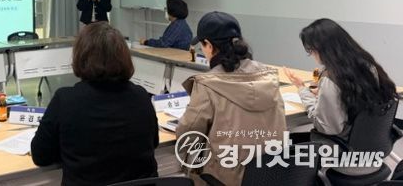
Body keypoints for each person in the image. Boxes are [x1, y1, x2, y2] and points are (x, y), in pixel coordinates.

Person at [31, 22, 158, 186]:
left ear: (81, 57)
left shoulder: (65, 100)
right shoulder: (141, 96)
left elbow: (40, 156)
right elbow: (153, 142)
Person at [175, 12, 286, 186]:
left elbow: (187, 138)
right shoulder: (269, 77)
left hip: (227, 179)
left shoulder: (208, 85)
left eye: (202, 46)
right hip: (271, 173)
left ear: (209, 45)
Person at [284, 18, 397, 144]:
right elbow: (354, 98)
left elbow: (327, 128)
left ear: (322, 49)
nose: (312, 55)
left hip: (337, 145)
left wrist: (301, 88)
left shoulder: (330, 78)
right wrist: (324, 95)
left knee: (279, 143)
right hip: (368, 140)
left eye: (311, 50)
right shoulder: (367, 66)